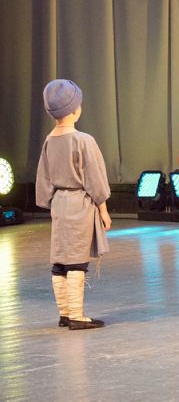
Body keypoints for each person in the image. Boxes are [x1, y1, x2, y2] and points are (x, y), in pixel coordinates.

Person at [36, 79, 111, 330]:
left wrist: (50, 201)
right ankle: (76, 315)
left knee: (60, 259)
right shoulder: (83, 140)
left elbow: (44, 177)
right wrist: (103, 208)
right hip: (79, 203)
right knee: (77, 259)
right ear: (75, 109)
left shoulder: (49, 140)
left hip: (59, 203)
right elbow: (95, 177)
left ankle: (65, 313)